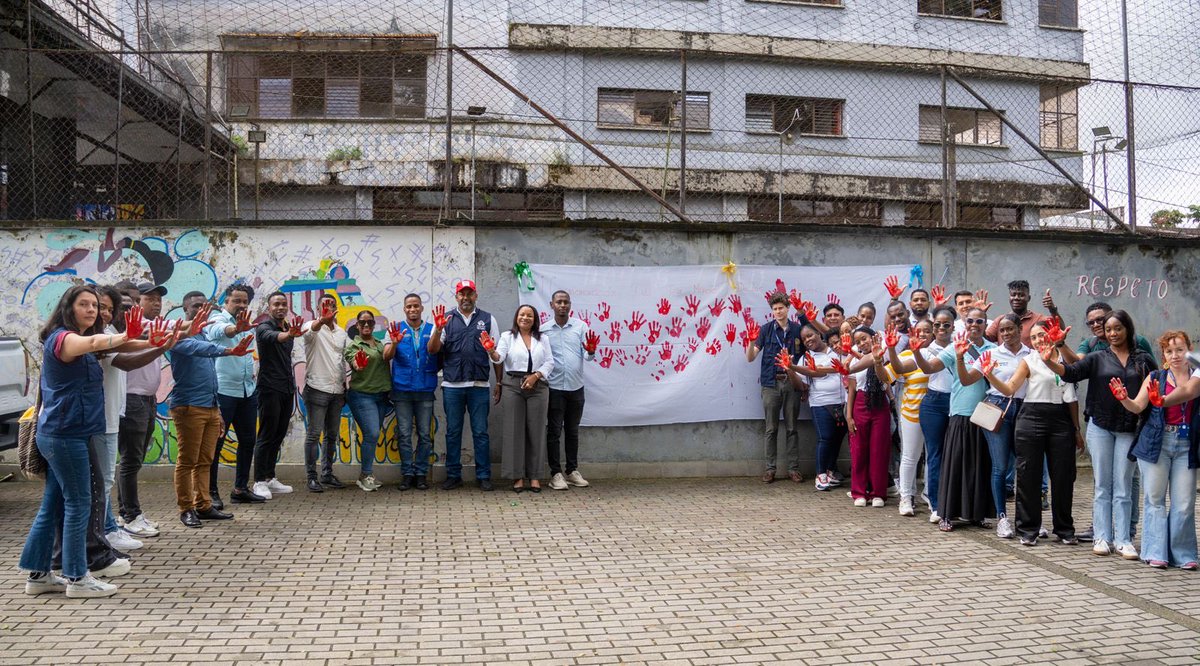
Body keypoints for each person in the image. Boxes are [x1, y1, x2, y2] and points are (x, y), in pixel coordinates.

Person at [20, 286, 154, 597]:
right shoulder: (64, 339)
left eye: (94, 305)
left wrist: (161, 340)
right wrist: (124, 336)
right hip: (65, 435)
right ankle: (78, 578)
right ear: (68, 307)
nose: (92, 310)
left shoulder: (80, 341)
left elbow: (115, 346)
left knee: (53, 505)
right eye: (84, 304)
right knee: (80, 503)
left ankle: (39, 575)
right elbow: (94, 341)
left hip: (68, 432)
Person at [1044, 310, 1156, 559]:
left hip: (1129, 428)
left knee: (1124, 485)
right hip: (1100, 427)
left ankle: (1123, 539)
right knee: (1103, 485)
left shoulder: (1144, 359)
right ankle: (1102, 537)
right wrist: (1052, 355)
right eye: (1108, 330)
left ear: (1127, 328)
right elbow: (1071, 372)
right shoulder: (1097, 358)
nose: (1113, 334)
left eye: (1117, 328)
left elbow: (1155, 387)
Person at [979, 321, 1081, 546]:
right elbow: (1009, 388)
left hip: (1060, 419)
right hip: (1031, 417)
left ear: (1051, 335)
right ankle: (1028, 529)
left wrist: (1076, 430)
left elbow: (1071, 398)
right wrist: (991, 376)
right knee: (1028, 476)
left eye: (1042, 335)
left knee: (1063, 476)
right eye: (1033, 337)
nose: (1038, 341)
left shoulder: (1063, 360)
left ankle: (1064, 529)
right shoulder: (1028, 360)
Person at [1111, 331, 1198, 570]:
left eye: (1180, 349)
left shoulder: (1196, 376)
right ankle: (1155, 552)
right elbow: (1138, 406)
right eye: (1170, 351)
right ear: (1164, 355)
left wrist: (1164, 400)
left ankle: (1183, 554)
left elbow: (1189, 394)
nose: (1175, 355)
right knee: (1155, 499)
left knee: (1184, 502)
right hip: (1156, 443)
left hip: (1186, 444)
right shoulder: (1155, 376)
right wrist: (1124, 399)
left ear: (1189, 350)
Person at [171, 292, 253, 527]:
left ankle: (204, 505)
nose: (201, 311)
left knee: (205, 460)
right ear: (185, 309)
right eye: (196, 306)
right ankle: (186, 509)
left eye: (205, 307)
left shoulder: (205, 333)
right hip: (188, 405)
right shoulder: (177, 333)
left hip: (209, 405)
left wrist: (216, 409)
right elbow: (200, 349)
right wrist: (229, 350)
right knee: (187, 461)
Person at [912, 308, 997, 531]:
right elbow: (929, 368)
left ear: (985, 324)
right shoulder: (954, 346)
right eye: (970, 321)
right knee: (954, 464)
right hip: (960, 411)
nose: (975, 324)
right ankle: (946, 514)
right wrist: (918, 352)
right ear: (965, 323)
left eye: (980, 321)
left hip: (985, 413)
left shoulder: (993, 349)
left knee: (980, 465)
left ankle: (977, 514)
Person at [959, 314, 1030, 539]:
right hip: (997, 409)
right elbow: (966, 380)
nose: (1007, 333)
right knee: (1000, 467)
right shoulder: (990, 354)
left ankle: (1027, 519)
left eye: (1011, 329)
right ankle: (1002, 518)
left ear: (1020, 328)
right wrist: (960, 358)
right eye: (1002, 330)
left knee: (1025, 467)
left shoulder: (1032, 354)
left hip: (1025, 410)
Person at [428, 279, 499, 492]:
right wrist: (438, 330)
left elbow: (497, 354)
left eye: (470, 294)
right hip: (452, 385)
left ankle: (484, 476)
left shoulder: (487, 319)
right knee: (453, 432)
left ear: (475, 295)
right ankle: (453, 475)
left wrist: (500, 382)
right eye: (462, 294)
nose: (466, 298)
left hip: (479, 385)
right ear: (456, 296)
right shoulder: (445, 319)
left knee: (480, 432)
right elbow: (432, 350)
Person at [116, 281, 169, 537]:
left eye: (159, 299)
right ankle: (130, 515)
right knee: (131, 459)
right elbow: (178, 330)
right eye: (150, 299)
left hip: (148, 399)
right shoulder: (129, 328)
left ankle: (125, 513)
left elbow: (177, 329)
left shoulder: (152, 326)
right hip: (132, 399)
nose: (156, 303)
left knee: (133, 460)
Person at [484, 304, 555, 492]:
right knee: (513, 431)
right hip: (513, 386)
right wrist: (491, 351)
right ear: (516, 317)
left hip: (538, 386)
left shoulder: (543, 338)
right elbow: (499, 359)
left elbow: (550, 362)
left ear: (535, 319)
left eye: (529, 315)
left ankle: (535, 476)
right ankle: (517, 477)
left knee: (536, 432)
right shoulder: (508, 337)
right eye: (522, 314)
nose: (525, 318)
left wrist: (536, 376)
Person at [205, 284, 263, 505]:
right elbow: (221, 332)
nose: (241, 305)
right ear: (226, 302)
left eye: (245, 302)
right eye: (236, 301)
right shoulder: (217, 320)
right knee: (216, 444)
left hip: (247, 391)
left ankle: (240, 489)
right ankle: (210, 493)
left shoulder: (247, 324)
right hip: (224, 391)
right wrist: (236, 329)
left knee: (248, 441)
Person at [745, 292, 804, 483]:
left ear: (788, 308)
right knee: (771, 428)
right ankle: (770, 468)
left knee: (792, 427)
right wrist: (751, 340)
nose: (778, 311)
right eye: (775, 309)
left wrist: (804, 386)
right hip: (770, 383)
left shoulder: (798, 330)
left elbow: (806, 358)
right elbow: (750, 357)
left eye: (781, 308)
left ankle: (793, 468)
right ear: (772, 311)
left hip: (791, 382)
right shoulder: (766, 330)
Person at [542, 290, 598, 491]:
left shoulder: (581, 327)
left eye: (566, 302)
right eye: (559, 302)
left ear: (570, 305)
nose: (562, 305)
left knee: (572, 431)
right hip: (555, 388)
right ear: (552, 305)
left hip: (576, 388)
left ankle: (572, 470)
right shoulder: (544, 330)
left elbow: (588, 356)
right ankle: (555, 474)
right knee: (554, 432)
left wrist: (591, 351)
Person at [385, 294, 438, 491]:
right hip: (402, 390)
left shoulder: (432, 328)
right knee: (405, 434)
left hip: (425, 389)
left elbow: (435, 350)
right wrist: (395, 342)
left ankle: (421, 474)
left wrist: (439, 331)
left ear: (421, 308)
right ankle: (407, 473)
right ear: (404, 309)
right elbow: (386, 356)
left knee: (425, 435)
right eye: (409, 306)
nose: (413, 309)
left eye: (416, 306)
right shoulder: (396, 329)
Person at [251, 291, 299, 500]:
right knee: (267, 434)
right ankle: (259, 481)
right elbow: (274, 338)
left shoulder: (288, 327)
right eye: (276, 304)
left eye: (283, 304)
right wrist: (288, 335)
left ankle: (270, 477)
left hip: (287, 388)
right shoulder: (264, 327)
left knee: (279, 434)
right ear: (269, 308)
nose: (280, 307)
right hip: (269, 388)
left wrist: (289, 333)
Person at [786, 326, 845, 491]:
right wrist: (790, 370)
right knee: (825, 438)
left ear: (819, 334)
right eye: (804, 339)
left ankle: (830, 471)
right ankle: (820, 475)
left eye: (810, 335)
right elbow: (800, 386)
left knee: (837, 439)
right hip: (820, 403)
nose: (808, 340)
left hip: (842, 403)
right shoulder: (804, 359)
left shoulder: (836, 351)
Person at [301, 293, 349, 492]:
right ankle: (312, 477)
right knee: (313, 435)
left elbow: (342, 359)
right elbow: (309, 333)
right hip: (317, 389)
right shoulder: (310, 326)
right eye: (324, 305)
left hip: (337, 390)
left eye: (332, 305)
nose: (329, 308)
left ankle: (327, 474)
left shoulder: (342, 333)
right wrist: (321, 321)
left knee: (332, 435)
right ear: (318, 308)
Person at [885, 319, 932, 516]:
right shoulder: (905, 355)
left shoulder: (941, 353)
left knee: (934, 457)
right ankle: (906, 496)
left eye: (927, 331)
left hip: (937, 414)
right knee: (910, 456)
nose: (922, 335)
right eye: (918, 331)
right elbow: (886, 377)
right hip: (911, 413)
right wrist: (888, 353)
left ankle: (931, 495)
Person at [845, 327, 895, 507]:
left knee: (879, 450)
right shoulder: (852, 362)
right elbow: (851, 389)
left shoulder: (884, 353)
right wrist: (849, 416)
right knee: (859, 450)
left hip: (880, 404)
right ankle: (859, 492)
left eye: (864, 338)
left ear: (873, 337)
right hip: (860, 403)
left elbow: (887, 381)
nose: (862, 343)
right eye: (857, 342)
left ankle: (878, 493)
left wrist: (892, 399)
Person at [344, 311, 391, 492]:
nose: (366, 325)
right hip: (362, 396)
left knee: (373, 435)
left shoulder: (380, 345)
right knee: (371, 433)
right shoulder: (354, 346)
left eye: (370, 322)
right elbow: (354, 362)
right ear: (357, 325)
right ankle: (366, 474)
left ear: (373, 325)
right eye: (362, 322)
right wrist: (359, 365)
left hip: (381, 396)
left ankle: (366, 475)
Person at [984, 280, 1059, 348]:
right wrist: (980, 316)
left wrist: (1052, 309)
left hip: (1032, 362)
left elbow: (1060, 331)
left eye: (1021, 295)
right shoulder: (1001, 320)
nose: (1016, 298)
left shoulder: (1039, 319)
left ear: (1028, 298)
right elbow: (984, 340)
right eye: (1013, 295)